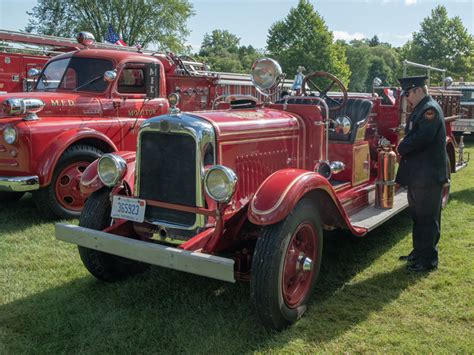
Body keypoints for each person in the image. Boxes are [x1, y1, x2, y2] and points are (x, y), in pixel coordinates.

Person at [396, 75, 449, 272]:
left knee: (428, 218)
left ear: (419, 90)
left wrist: (401, 147)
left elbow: (422, 137)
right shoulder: (421, 108)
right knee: (418, 216)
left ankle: (428, 260)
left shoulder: (429, 110)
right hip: (419, 174)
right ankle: (419, 252)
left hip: (428, 176)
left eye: (408, 93)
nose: (407, 98)